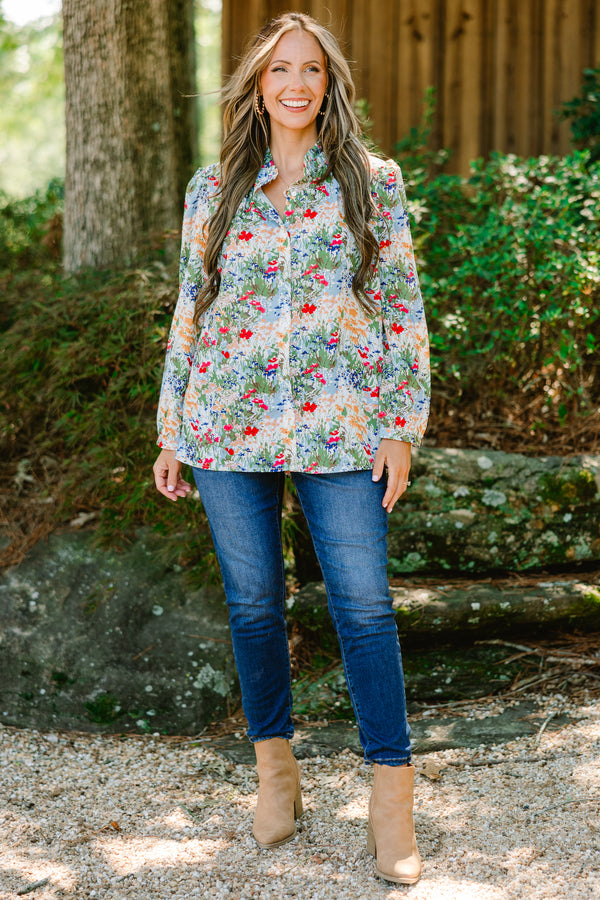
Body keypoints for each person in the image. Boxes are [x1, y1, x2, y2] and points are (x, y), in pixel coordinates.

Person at [153, 11, 430, 886]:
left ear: (331, 83)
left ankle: (393, 801)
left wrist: (401, 427)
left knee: (364, 609)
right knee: (253, 607)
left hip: (342, 425)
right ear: (258, 86)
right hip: (225, 429)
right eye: (280, 71)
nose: (296, 84)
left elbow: (401, 310)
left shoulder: (371, 182)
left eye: (311, 69)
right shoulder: (215, 187)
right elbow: (191, 309)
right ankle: (277, 775)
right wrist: (171, 428)